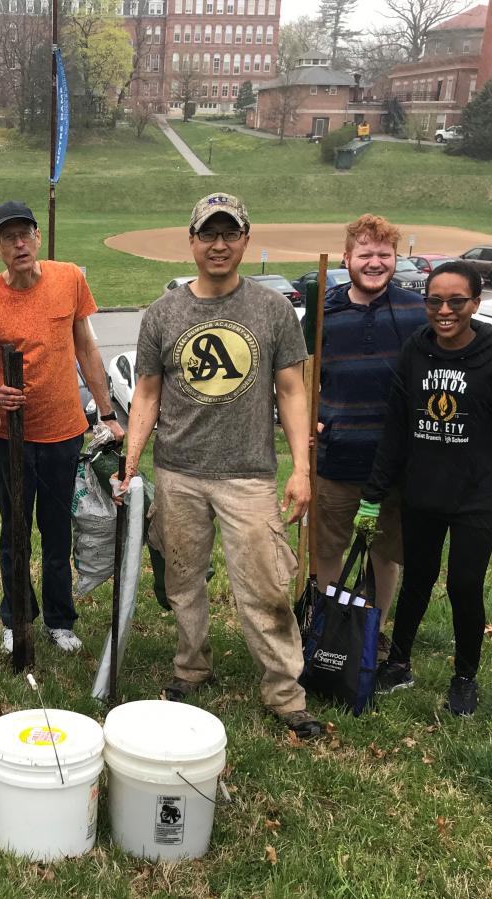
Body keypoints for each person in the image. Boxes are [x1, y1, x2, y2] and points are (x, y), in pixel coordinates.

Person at [119, 192, 323, 740]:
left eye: (229, 234)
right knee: (184, 580)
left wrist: (301, 469)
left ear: (245, 241)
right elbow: (146, 394)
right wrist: (131, 458)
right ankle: (191, 666)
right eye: (208, 234)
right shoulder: (163, 315)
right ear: (191, 242)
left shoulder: (272, 310)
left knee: (265, 587)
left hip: (249, 474)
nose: (218, 244)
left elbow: (291, 391)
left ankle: (285, 693)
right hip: (179, 471)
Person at [357, 260, 492, 716]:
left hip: (478, 498)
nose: (445, 310)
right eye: (435, 301)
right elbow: (395, 431)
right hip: (423, 494)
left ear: (476, 302)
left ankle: (464, 677)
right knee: (416, 579)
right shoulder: (415, 351)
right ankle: (399, 663)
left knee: (465, 586)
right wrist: (372, 499)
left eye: (457, 301)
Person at [0, 201, 123, 654]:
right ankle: (17, 619)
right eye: (8, 237)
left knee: (57, 532)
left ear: (36, 237)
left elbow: (86, 348)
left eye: (25, 234)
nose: (19, 243)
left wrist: (107, 413)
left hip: (64, 433)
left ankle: (59, 619)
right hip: (8, 438)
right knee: (14, 531)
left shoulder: (69, 278)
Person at [315, 215, 427, 640]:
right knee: (328, 548)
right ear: (347, 259)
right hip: (336, 458)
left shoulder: (417, 312)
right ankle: (326, 626)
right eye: (366, 253)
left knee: (386, 552)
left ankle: (371, 632)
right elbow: (298, 378)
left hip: (395, 463)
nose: (375, 262)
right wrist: (312, 419)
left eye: (384, 254)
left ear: (396, 259)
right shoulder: (324, 310)